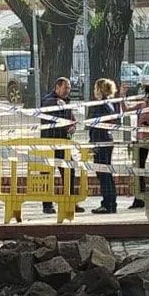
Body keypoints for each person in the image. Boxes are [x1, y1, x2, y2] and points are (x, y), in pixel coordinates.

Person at [39, 77, 79, 215]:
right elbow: (46, 105)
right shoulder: (49, 99)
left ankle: (70, 201)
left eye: (69, 88)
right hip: (49, 143)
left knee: (70, 171)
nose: (68, 90)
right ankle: (47, 205)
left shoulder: (67, 101)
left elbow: (72, 118)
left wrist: (73, 126)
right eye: (65, 87)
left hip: (63, 143)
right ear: (57, 87)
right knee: (46, 174)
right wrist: (57, 102)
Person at [86, 78, 121, 213]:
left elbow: (96, 125)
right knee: (106, 173)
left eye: (95, 88)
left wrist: (93, 143)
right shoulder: (109, 104)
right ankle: (111, 202)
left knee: (103, 173)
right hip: (107, 139)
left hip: (101, 141)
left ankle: (107, 203)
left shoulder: (101, 105)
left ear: (99, 89)